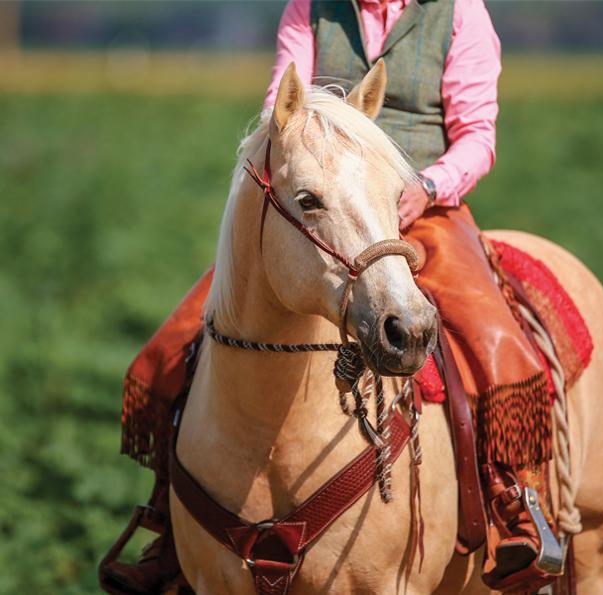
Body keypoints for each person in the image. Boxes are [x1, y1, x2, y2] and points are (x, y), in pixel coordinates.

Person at [101, 1, 562, 592]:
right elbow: (282, 105)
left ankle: (513, 502)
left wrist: (426, 185)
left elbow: (477, 136)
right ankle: (170, 522)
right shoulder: (310, 8)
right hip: (321, 206)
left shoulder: (460, 12)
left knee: (492, 335)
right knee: (173, 348)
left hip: (420, 204)